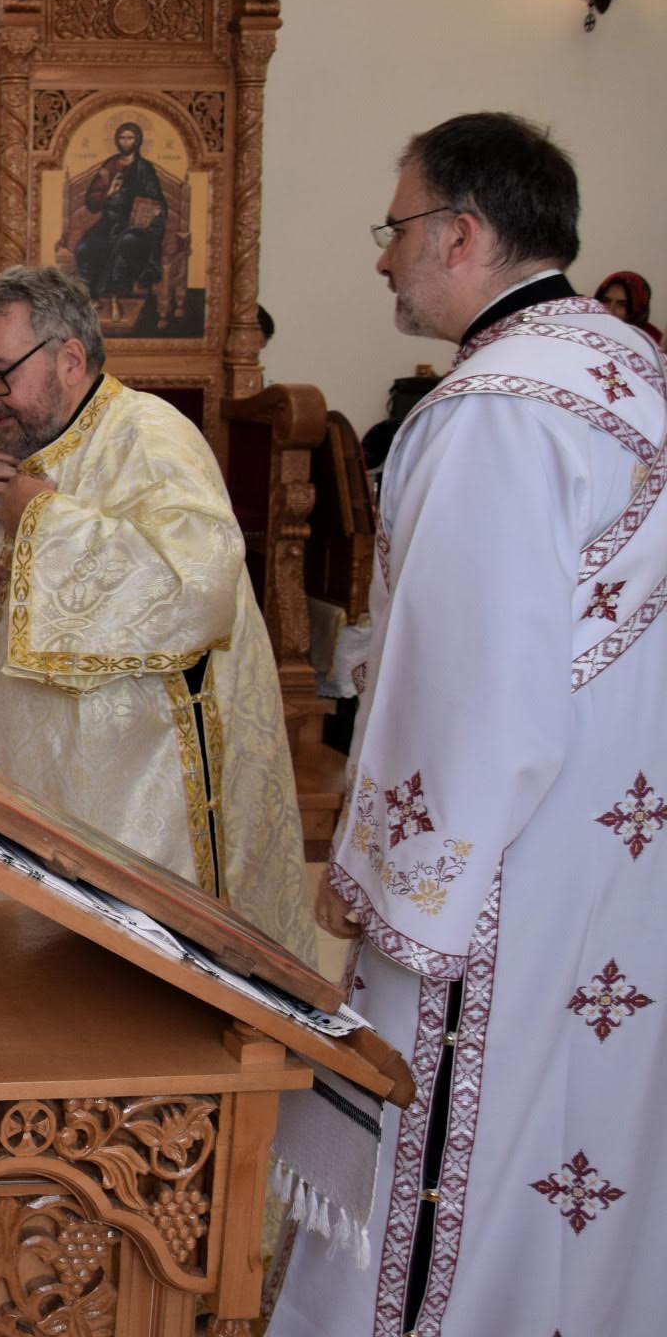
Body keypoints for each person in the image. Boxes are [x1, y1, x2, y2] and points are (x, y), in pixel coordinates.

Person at [271, 114, 666, 1337]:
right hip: (615, 844)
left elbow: (475, 687)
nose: (382, 257)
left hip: (503, 873)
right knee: (587, 1146)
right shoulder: (624, 363)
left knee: (455, 1154)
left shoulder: (498, 407)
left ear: (463, 232)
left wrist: (387, 884)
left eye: (396, 228)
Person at [0, 267, 312, 955]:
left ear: (70, 358)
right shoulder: (12, 447)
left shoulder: (149, 436)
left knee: (124, 972)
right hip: (27, 780)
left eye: (0, 375)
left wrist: (42, 518)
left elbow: (199, 585)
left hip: (134, 795)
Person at [72, 120, 166, 315]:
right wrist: (109, 193)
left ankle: (115, 297)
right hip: (108, 221)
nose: (125, 142)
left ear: (137, 140)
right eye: (122, 138)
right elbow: (91, 200)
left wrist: (153, 210)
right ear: (117, 140)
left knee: (125, 243)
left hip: (135, 225)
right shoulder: (110, 165)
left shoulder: (144, 168)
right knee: (84, 247)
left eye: (130, 138)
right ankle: (92, 296)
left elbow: (155, 198)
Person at [596, 269, 661, 344]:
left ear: (637, 310)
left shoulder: (653, 343)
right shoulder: (588, 328)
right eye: (606, 301)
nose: (611, 310)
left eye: (622, 305)